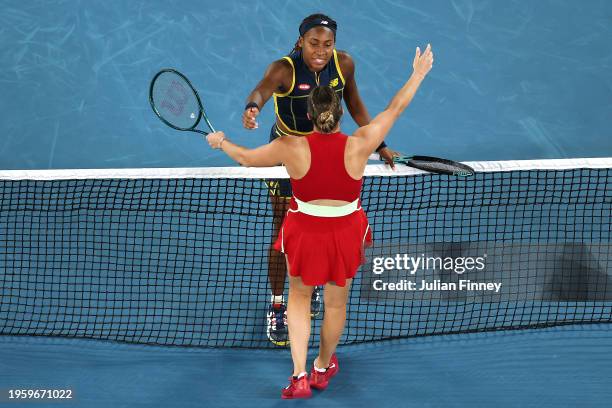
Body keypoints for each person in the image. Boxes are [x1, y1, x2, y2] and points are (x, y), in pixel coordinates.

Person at [206, 44, 434, 399]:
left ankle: (297, 375)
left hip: (305, 232)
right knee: (335, 305)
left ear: (310, 116)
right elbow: (395, 108)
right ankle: (323, 367)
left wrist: (221, 143)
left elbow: (248, 160)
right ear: (339, 114)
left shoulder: (290, 146)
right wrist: (418, 73)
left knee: (298, 299)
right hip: (344, 233)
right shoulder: (361, 142)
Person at [241, 13, 400, 346]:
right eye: (314, 43)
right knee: (285, 229)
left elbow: (354, 102)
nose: (321, 51)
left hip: (326, 152)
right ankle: (277, 304)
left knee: (322, 223)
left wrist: (380, 144)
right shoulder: (283, 69)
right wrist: (252, 108)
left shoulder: (344, 64)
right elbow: (261, 90)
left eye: (327, 44)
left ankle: (309, 285)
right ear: (301, 41)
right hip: (290, 155)